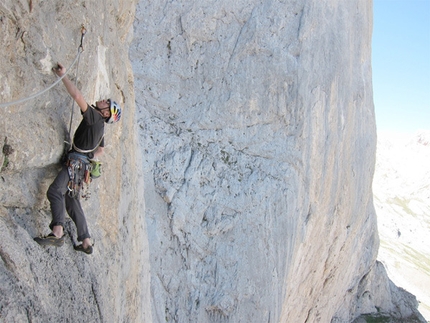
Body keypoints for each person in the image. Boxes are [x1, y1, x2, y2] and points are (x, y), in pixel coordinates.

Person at [34, 63, 121, 255]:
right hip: (82, 168)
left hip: (75, 164)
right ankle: (86, 241)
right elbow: (102, 150)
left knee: (55, 191)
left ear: (106, 113)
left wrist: (62, 76)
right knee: (72, 201)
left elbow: (77, 97)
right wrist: (88, 157)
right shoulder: (101, 128)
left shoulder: (94, 118)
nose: (103, 100)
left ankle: (57, 232)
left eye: (107, 102)